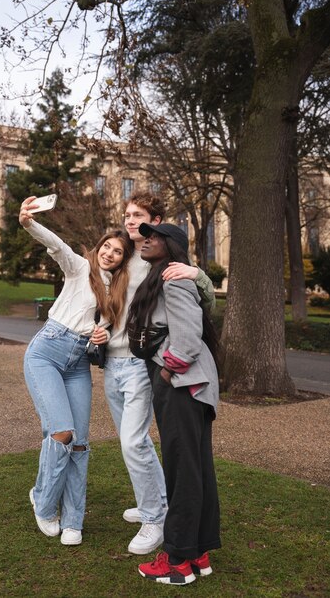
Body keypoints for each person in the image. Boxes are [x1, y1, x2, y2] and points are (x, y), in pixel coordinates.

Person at [104, 191, 215, 555]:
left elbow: (194, 314)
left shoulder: (171, 269)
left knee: (140, 444)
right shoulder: (122, 254)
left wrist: (170, 370)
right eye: (128, 215)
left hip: (162, 370)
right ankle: (166, 519)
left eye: (139, 216)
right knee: (146, 447)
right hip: (121, 362)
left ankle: (163, 527)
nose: (131, 221)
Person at [19, 196, 132, 546]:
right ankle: (42, 497)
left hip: (79, 364)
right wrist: (28, 223)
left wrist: (104, 333)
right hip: (47, 353)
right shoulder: (80, 268)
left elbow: (114, 329)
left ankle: (73, 519)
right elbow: (56, 245)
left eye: (117, 251)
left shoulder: (119, 290)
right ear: (99, 248)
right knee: (62, 432)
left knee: (80, 444)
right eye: (107, 247)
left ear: (123, 259)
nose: (110, 253)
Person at [126, 222, 221, 585]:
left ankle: (178, 560)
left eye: (154, 236)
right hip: (191, 385)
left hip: (182, 383)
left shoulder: (175, 278)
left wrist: (168, 371)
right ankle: (198, 550)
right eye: (144, 235)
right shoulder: (165, 277)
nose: (146, 239)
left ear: (172, 245)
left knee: (181, 472)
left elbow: (188, 336)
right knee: (195, 469)